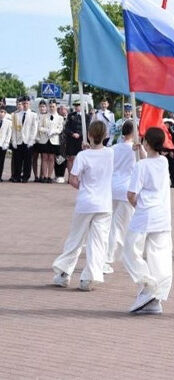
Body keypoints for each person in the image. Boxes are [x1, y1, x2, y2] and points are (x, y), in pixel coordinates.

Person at [51, 120, 114, 291]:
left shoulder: (82, 156)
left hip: (86, 202)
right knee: (98, 242)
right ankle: (89, 278)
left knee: (76, 239)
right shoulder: (110, 153)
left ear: (90, 135)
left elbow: (73, 179)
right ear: (105, 136)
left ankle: (64, 273)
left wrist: (83, 186)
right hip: (104, 204)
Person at [123, 127, 172, 314]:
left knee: (130, 251)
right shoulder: (164, 161)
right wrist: (142, 150)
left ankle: (148, 284)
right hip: (162, 215)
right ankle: (155, 297)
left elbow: (131, 194)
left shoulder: (140, 166)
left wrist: (137, 205)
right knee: (159, 256)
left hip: (145, 214)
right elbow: (151, 163)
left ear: (147, 142)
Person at [105, 120, 142, 274]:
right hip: (126, 190)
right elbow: (146, 162)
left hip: (112, 188)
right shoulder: (134, 150)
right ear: (133, 133)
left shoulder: (114, 148)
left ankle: (111, 255)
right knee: (119, 227)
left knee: (111, 225)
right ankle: (108, 257)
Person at [10, 96, 38, 183]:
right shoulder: (16, 115)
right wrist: (14, 140)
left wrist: (31, 141)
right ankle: (17, 176)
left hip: (28, 141)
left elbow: (34, 129)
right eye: (23, 103)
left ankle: (25, 176)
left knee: (27, 160)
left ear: (29, 104)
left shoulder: (33, 115)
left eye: (27, 103)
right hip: (18, 140)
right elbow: (14, 129)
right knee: (17, 160)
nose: (25, 105)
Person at [36, 100, 62, 183]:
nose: (51, 108)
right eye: (50, 106)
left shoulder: (60, 118)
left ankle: (49, 177)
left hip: (54, 140)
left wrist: (53, 131)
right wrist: (46, 130)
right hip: (44, 139)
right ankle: (44, 176)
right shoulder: (44, 116)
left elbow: (60, 129)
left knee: (51, 158)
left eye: (53, 106)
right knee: (44, 158)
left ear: (56, 107)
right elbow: (39, 127)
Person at [64, 101, 84, 175]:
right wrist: (72, 134)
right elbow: (67, 128)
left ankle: (78, 176)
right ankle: (70, 175)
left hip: (81, 140)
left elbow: (87, 127)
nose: (76, 107)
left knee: (80, 158)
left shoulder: (86, 116)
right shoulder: (70, 115)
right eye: (75, 106)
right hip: (71, 139)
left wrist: (79, 134)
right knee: (70, 158)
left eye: (78, 105)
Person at [0, 105, 11, 180]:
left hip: (2, 144)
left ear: (5, 113)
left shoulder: (8, 122)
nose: (1, 113)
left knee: (1, 161)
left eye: (2, 112)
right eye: (0, 112)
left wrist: (6, 143)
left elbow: (8, 134)